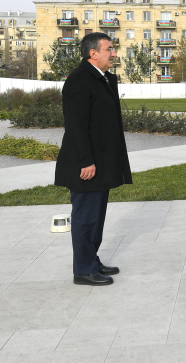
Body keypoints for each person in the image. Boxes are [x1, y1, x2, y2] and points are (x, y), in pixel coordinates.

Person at [54, 32, 133, 286]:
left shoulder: (104, 78)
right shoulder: (79, 80)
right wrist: (85, 161)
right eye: (109, 49)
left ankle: (92, 260)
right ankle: (83, 270)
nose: (114, 53)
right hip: (86, 165)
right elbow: (75, 126)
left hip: (102, 164)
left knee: (96, 218)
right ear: (93, 53)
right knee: (86, 219)